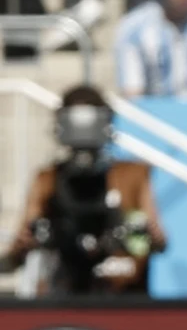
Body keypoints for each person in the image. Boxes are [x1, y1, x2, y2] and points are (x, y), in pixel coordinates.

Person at [1, 86, 167, 296]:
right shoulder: (49, 179)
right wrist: (26, 244)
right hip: (65, 295)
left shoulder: (132, 175)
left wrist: (143, 236)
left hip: (124, 294)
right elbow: (17, 251)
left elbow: (159, 240)